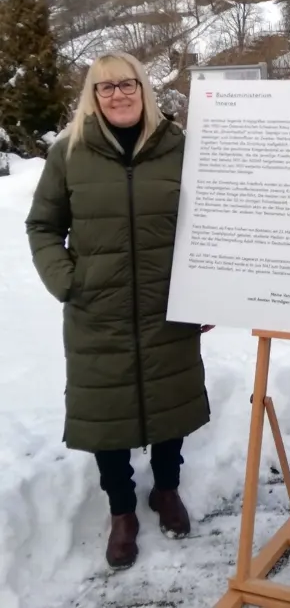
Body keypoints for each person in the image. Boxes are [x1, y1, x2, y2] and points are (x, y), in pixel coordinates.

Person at [25, 51, 212, 571]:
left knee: (169, 397)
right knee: (106, 414)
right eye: (104, 88)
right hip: (97, 310)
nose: (118, 95)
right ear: (93, 96)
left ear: (144, 88)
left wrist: (211, 289)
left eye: (126, 84)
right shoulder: (70, 151)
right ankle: (122, 509)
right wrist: (68, 281)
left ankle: (167, 489)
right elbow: (42, 226)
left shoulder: (180, 147)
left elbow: (210, 221)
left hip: (166, 304)